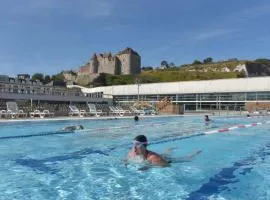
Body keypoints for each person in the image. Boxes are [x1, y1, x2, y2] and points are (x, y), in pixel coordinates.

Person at [125, 135, 202, 170]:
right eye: (133, 144)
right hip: (159, 156)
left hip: (165, 160)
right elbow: (125, 160)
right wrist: (126, 163)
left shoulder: (154, 158)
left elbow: (167, 166)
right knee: (165, 154)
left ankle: (195, 153)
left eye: (137, 145)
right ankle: (170, 149)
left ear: (144, 145)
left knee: (187, 158)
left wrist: (149, 167)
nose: (134, 147)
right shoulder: (131, 153)